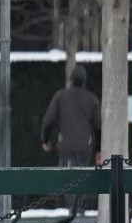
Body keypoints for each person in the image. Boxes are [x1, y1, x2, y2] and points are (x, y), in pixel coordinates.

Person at [41, 64, 101, 215]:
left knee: (68, 178)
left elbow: (49, 120)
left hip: (66, 145)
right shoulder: (91, 99)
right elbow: (98, 127)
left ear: (71, 79)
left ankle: (72, 211)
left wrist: (45, 139)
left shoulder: (61, 96)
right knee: (82, 177)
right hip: (84, 147)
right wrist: (99, 149)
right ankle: (79, 209)